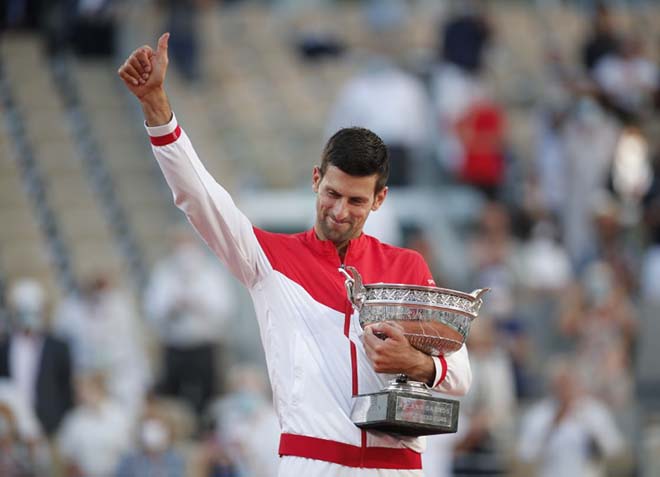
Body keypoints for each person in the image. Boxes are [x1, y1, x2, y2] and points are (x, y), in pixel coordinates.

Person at [117, 33, 472, 476]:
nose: (340, 212)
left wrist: (417, 364)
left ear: (379, 200)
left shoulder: (408, 267)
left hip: (397, 467)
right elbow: (199, 197)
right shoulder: (268, 259)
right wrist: (156, 107)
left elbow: (460, 375)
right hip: (312, 463)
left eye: (357, 201)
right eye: (332, 194)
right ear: (315, 179)